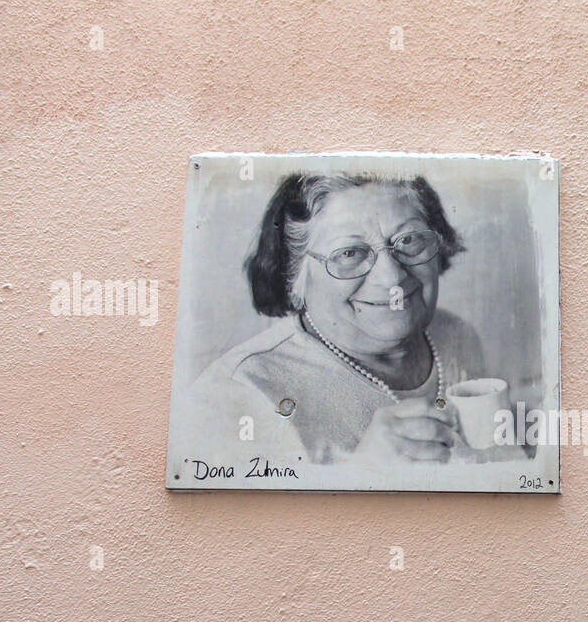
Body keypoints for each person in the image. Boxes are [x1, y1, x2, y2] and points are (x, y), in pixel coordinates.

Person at [189, 172, 487, 466]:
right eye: (349, 253)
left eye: (408, 240)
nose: (392, 276)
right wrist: (361, 474)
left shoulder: (456, 335)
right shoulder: (238, 393)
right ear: (295, 280)